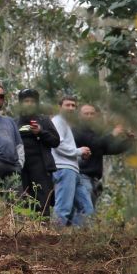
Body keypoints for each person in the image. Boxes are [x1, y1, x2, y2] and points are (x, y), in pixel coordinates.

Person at [73, 104, 133, 207]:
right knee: (85, 211)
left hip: (93, 179)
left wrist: (130, 141)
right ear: (79, 115)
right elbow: (95, 144)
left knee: (87, 210)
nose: (89, 116)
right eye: (86, 114)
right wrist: (113, 134)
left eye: (92, 114)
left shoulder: (93, 133)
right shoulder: (77, 131)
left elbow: (109, 149)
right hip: (82, 176)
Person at [15, 89, 60, 216]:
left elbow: (55, 141)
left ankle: (43, 231)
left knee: (42, 200)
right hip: (20, 167)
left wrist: (41, 132)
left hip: (41, 166)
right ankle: (25, 231)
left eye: (32, 101)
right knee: (22, 199)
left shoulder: (43, 120)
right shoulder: (14, 122)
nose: (29, 104)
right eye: (26, 101)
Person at [51, 95, 93, 227]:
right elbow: (58, 144)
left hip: (73, 170)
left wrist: (80, 154)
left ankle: (77, 240)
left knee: (87, 209)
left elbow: (65, 146)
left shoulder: (66, 124)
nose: (71, 108)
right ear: (60, 107)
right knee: (63, 209)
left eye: (73, 106)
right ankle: (54, 240)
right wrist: (78, 151)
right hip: (64, 169)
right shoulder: (58, 121)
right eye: (67, 105)